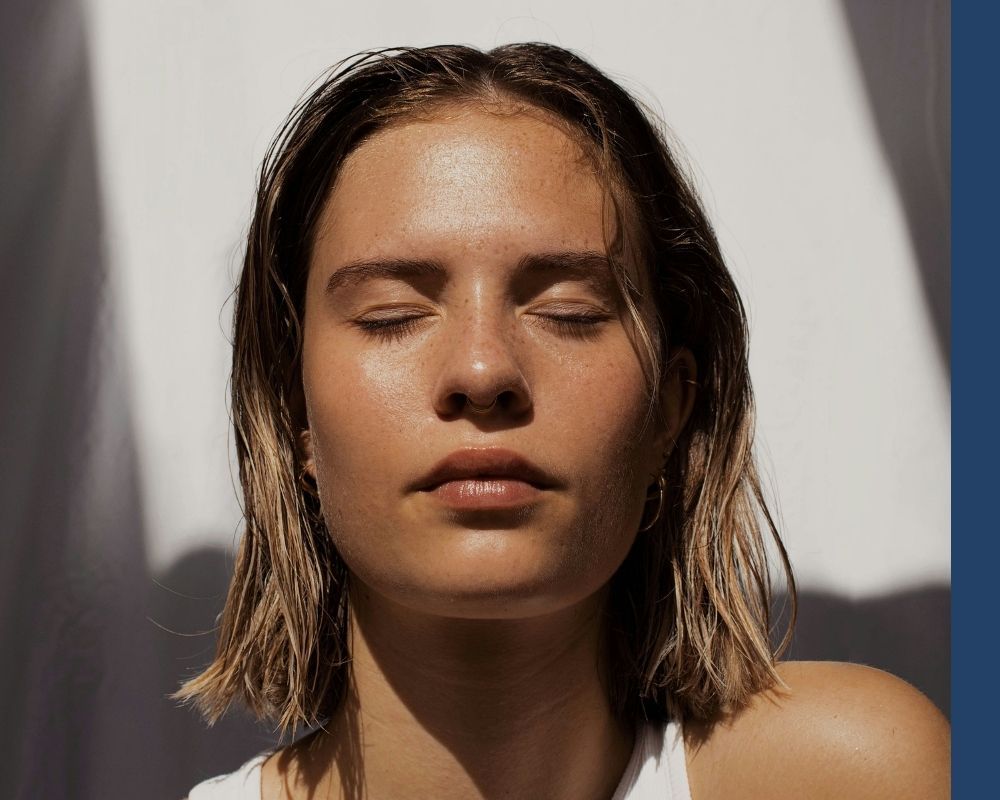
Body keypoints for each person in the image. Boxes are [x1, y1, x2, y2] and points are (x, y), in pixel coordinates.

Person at [179, 43, 949, 799]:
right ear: (292, 415)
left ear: (671, 412)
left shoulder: (850, 777)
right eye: (392, 315)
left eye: (569, 312)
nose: (483, 373)